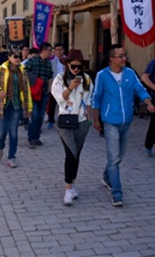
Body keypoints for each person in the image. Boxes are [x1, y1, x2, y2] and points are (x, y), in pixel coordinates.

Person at [92, 44, 155, 207]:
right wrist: (96, 119)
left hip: (126, 121)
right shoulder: (102, 75)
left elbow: (139, 89)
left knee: (118, 156)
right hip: (110, 121)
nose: (124, 58)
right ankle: (117, 193)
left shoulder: (130, 73)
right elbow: (97, 97)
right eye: (120, 56)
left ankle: (107, 177)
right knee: (114, 157)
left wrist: (148, 102)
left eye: (124, 55)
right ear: (112, 59)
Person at [51, 49, 93, 206]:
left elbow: (89, 100)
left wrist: (90, 119)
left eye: (79, 66)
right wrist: (70, 88)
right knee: (70, 153)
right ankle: (68, 189)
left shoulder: (87, 79)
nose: (76, 69)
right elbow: (59, 99)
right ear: (67, 65)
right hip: (65, 121)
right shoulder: (59, 79)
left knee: (77, 154)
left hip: (82, 121)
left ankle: (73, 183)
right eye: (73, 66)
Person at [0, 49, 33, 168]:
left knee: (13, 132)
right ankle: (0, 146)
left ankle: (12, 156)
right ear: (9, 57)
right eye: (15, 56)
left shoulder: (23, 71)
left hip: (16, 106)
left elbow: (27, 90)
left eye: (19, 57)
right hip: (3, 105)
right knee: (2, 132)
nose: (17, 59)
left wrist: (28, 107)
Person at [24, 42, 54, 148]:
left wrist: (50, 90)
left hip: (44, 93)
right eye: (50, 50)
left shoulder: (49, 63)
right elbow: (24, 73)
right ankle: (31, 137)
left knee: (41, 116)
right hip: (33, 93)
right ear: (44, 50)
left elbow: (50, 76)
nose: (51, 52)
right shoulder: (32, 61)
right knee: (35, 115)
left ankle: (36, 137)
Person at [47, 43, 66, 129]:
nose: (59, 51)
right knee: (52, 103)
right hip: (55, 85)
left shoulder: (68, 60)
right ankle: (51, 120)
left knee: (64, 103)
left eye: (60, 49)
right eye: (57, 50)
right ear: (54, 51)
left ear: (63, 50)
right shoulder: (51, 62)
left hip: (65, 85)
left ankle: (64, 120)